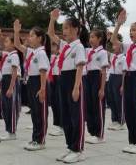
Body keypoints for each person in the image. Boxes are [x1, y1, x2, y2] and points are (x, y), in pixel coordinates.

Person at [48, 9, 87, 164]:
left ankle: (78, 149)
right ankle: (70, 146)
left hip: (73, 80)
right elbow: (50, 34)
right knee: (66, 116)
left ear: (76, 29)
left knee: (75, 115)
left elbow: (80, 67)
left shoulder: (79, 47)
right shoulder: (65, 45)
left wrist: (76, 87)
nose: (64, 31)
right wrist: (52, 19)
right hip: (63, 79)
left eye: (67, 28)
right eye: (63, 28)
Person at [110, 9, 136, 154]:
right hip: (127, 79)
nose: (131, 32)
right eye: (130, 30)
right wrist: (118, 24)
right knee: (129, 112)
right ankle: (132, 141)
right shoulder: (129, 47)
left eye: (134, 30)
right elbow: (113, 40)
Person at [20, 26, 51, 151]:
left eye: (32, 35)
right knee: (34, 113)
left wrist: (42, 89)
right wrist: (16, 32)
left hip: (39, 82)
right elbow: (18, 45)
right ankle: (35, 138)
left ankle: (40, 140)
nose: (29, 38)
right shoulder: (33, 53)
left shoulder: (41, 53)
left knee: (41, 113)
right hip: (32, 81)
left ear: (39, 38)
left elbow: (43, 71)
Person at [84, 29, 109, 144]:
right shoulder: (88, 51)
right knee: (89, 105)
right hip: (88, 77)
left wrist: (102, 88)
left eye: (93, 37)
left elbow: (103, 71)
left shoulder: (103, 52)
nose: (91, 39)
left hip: (97, 77)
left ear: (99, 39)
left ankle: (99, 134)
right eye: (90, 37)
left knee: (98, 106)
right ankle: (92, 131)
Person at [0, 31, 21, 141]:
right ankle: (8, 130)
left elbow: (14, 72)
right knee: (5, 107)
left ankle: (12, 132)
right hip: (4, 80)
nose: (5, 43)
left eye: (7, 41)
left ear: (13, 44)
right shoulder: (7, 55)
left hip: (11, 80)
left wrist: (11, 87)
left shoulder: (15, 55)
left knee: (11, 107)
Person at [107, 36, 127, 131]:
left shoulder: (123, 58)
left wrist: (123, 85)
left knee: (119, 100)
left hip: (119, 78)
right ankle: (114, 120)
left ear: (120, 47)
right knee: (112, 99)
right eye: (113, 45)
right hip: (112, 77)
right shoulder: (112, 56)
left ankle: (121, 121)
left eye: (115, 45)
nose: (113, 47)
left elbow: (124, 72)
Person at [48, 41, 63, 136]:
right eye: (51, 46)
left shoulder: (61, 56)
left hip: (59, 78)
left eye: (54, 46)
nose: (52, 48)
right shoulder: (53, 57)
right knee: (54, 103)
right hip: (52, 79)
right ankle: (57, 124)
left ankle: (62, 126)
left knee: (59, 102)